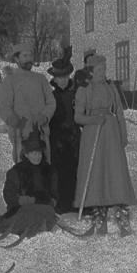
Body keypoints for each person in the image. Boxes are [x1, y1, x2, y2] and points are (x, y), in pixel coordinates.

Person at [75, 54, 137, 232]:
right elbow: (78, 116)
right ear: (91, 71)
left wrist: (123, 135)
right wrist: (93, 119)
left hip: (110, 130)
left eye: (104, 68)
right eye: (99, 69)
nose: (102, 72)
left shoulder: (111, 87)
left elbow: (119, 111)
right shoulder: (84, 89)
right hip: (93, 131)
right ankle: (98, 208)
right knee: (96, 168)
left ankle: (120, 208)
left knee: (115, 168)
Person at [0, 130, 60, 239]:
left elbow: (54, 193)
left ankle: (37, 226)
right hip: (21, 211)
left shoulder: (50, 171)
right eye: (34, 154)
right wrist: (30, 200)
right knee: (19, 221)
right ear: (26, 154)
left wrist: (51, 201)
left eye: (39, 153)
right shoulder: (16, 172)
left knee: (49, 214)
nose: (38, 157)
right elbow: (9, 197)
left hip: (44, 210)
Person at [0, 46, 55, 163]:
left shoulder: (41, 79)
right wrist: (10, 117)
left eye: (30, 55)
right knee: (23, 173)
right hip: (21, 134)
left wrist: (44, 116)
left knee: (43, 171)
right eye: (25, 56)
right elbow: (3, 105)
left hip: (40, 134)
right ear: (17, 59)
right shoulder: (10, 81)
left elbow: (51, 102)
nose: (29, 59)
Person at [47, 54, 80, 214]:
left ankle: (74, 200)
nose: (64, 80)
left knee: (74, 168)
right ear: (55, 78)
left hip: (74, 138)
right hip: (57, 139)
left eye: (66, 76)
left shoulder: (76, 94)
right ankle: (60, 202)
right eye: (60, 77)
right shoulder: (51, 96)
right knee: (58, 170)